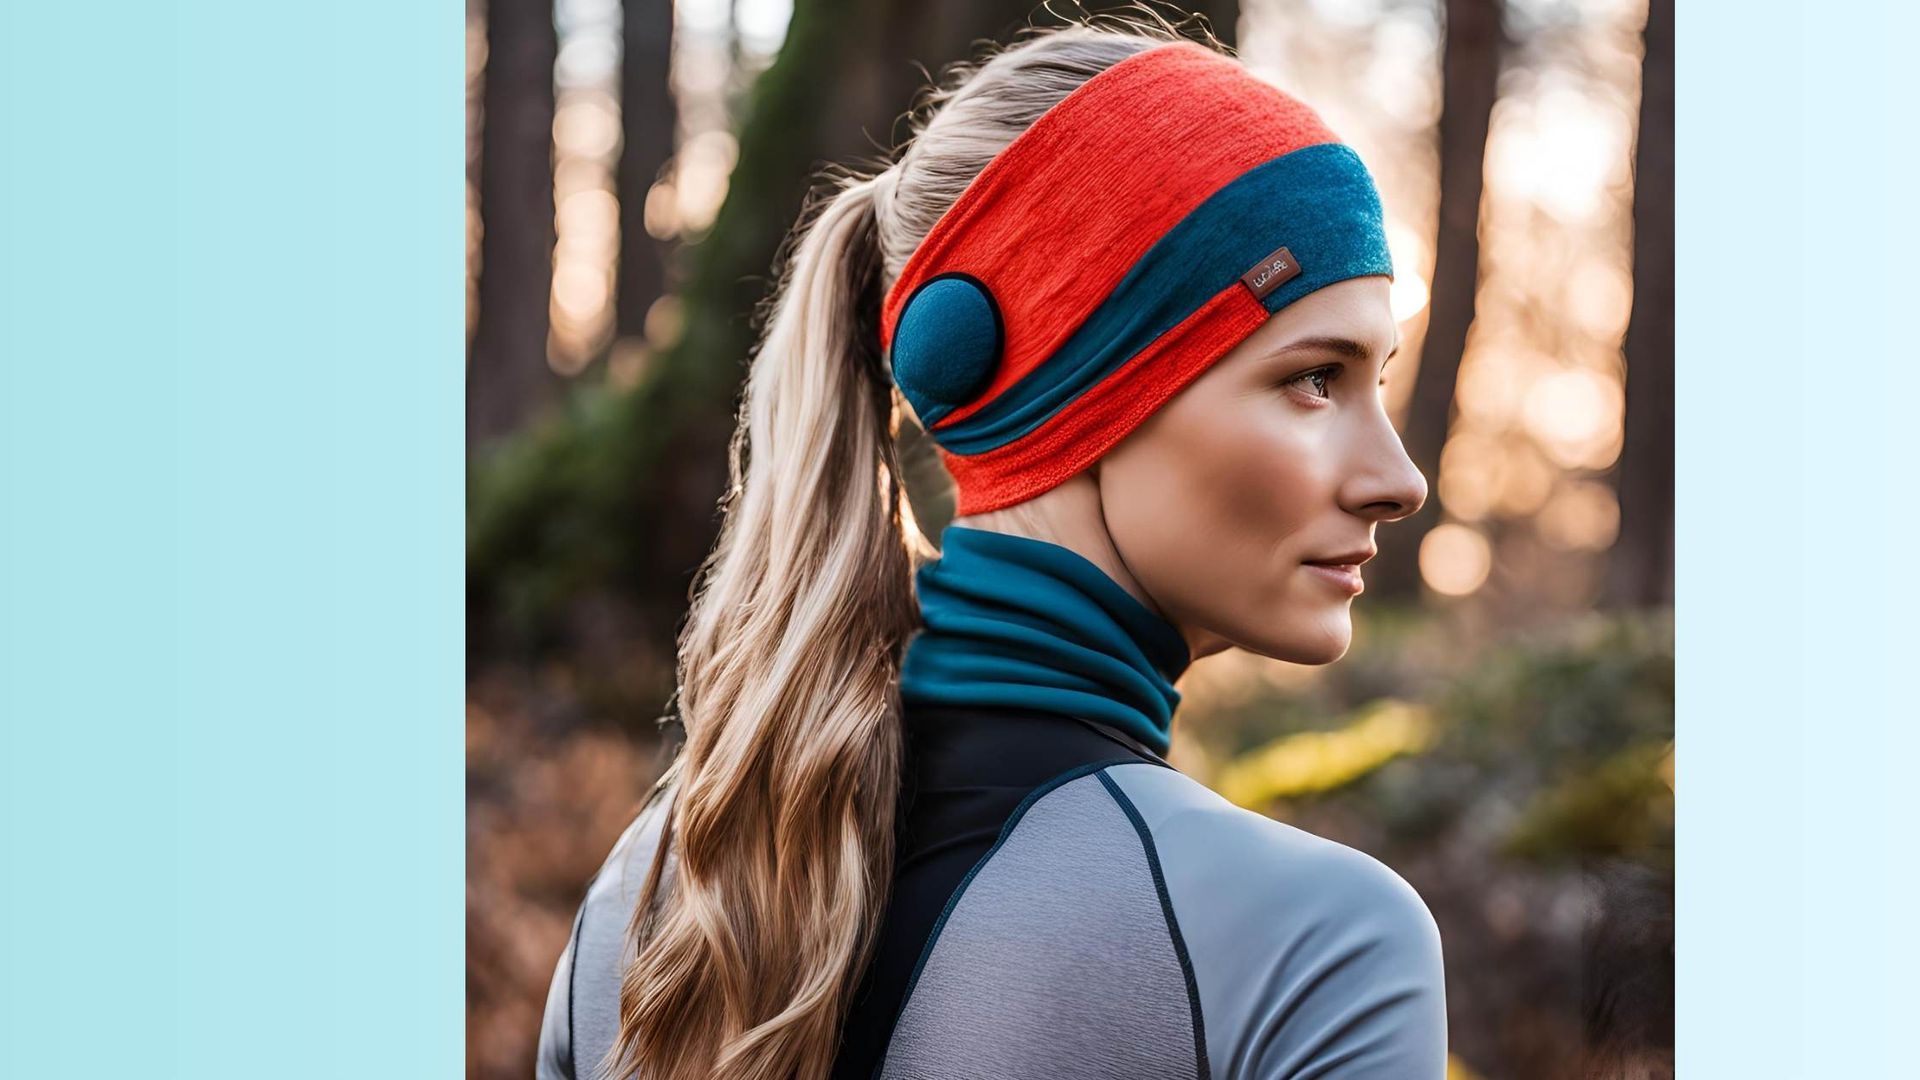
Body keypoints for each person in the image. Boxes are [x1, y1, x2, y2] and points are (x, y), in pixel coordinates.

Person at [536, 14, 1445, 1080]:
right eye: (1313, 378)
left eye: (1373, 381)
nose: (1398, 480)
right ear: (1085, 389)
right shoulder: (1316, 946)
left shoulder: (646, 904)